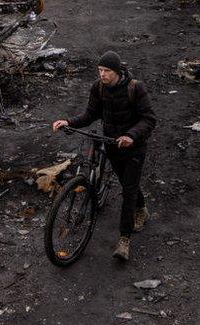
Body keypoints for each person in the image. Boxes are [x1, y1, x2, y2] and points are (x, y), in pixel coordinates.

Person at [52, 51, 156, 261]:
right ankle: (142, 208)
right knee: (128, 183)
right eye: (100, 70)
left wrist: (131, 136)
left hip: (134, 148)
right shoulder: (98, 88)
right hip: (112, 145)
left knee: (128, 191)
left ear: (117, 71)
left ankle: (124, 239)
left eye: (106, 71)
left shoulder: (135, 88)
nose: (102, 75)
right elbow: (90, 114)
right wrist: (69, 122)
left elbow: (149, 119)